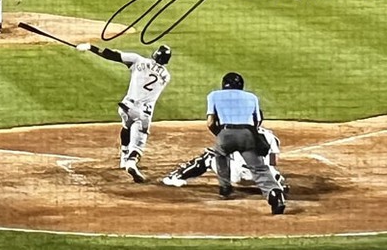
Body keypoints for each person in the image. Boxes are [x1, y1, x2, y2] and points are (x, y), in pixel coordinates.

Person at [74, 42, 172, 182]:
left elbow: (111, 54)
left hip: (126, 106)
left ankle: (124, 156)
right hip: (143, 113)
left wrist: (90, 47)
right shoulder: (166, 77)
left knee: (126, 126)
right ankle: (131, 162)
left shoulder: (138, 60)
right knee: (139, 142)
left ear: (155, 54)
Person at [206, 71, 287, 214]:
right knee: (259, 168)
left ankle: (225, 187)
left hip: (225, 133)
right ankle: (274, 194)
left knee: (220, 154)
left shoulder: (213, 95)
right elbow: (257, 121)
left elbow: (210, 122)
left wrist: (221, 135)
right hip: (248, 133)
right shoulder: (252, 97)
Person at [160, 126, 288, 193]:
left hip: (237, 177)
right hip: (263, 179)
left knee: (210, 155)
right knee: (269, 169)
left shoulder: (232, 133)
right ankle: (277, 183)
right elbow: (273, 162)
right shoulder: (271, 136)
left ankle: (176, 177)